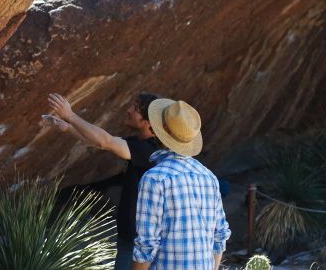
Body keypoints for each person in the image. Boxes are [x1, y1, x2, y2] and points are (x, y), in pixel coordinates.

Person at [46, 92, 160, 270]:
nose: (129, 110)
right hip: (130, 237)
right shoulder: (138, 142)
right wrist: (67, 127)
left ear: (148, 122)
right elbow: (100, 142)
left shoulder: (148, 150)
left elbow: (106, 141)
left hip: (138, 243)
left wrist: (70, 116)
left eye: (136, 109)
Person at [132, 99, 231, 270]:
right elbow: (220, 236)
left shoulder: (155, 179)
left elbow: (146, 246)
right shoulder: (209, 178)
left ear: (156, 130)